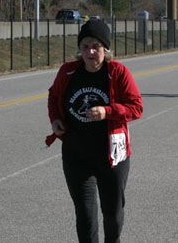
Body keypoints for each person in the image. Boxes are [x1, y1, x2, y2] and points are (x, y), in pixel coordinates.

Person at [45, 20, 143, 243]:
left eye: (96, 46)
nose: (90, 51)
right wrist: (56, 119)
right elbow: (54, 96)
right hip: (76, 155)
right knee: (86, 217)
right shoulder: (68, 71)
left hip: (112, 157)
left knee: (113, 216)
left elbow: (136, 107)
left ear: (105, 49)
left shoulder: (118, 72)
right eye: (85, 46)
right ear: (79, 49)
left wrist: (107, 111)